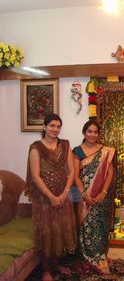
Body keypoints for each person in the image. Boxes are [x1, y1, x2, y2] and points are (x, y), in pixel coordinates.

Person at [26, 114, 77, 281]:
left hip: (63, 196)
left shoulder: (65, 145)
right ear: (44, 127)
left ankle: (56, 264)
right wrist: (51, 196)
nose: (55, 129)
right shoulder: (36, 148)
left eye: (58, 126)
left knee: (59, 230)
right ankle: (46, 270)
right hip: (44, 199)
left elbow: (71, 171)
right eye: (52, 126)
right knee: (47, 233)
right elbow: (35, 176)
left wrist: (64, 194)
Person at [73, 119, 115, 274]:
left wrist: (103, 192)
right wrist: (84, 194)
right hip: (84, 196)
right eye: (89, 131)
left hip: (101, 197)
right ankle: (88, 258)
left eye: (95, 132)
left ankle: (100, 256)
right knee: (85, 226)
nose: (92, 134)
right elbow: (76, 176)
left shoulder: (105, 151)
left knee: (100, 226)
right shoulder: (77, 151)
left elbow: (110, 173)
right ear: (84, 132)